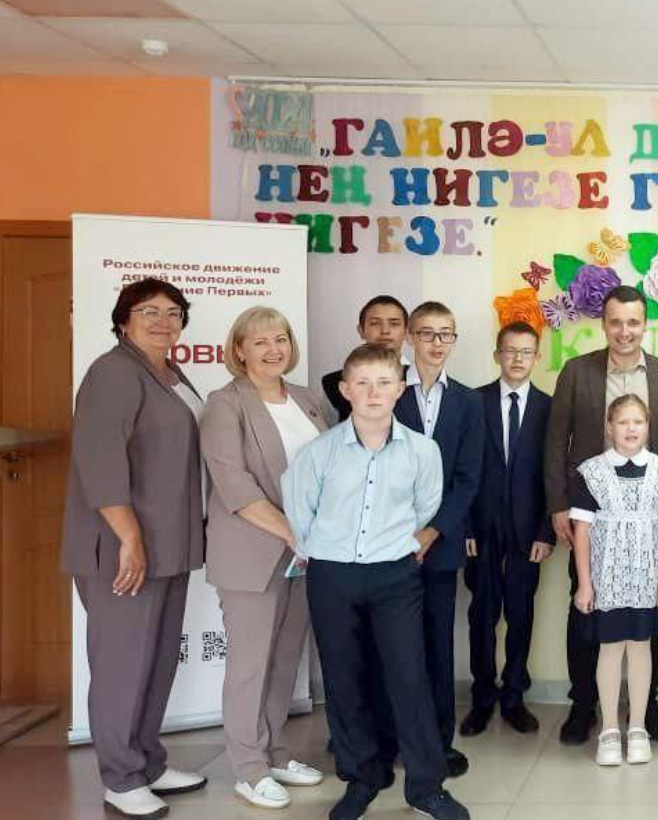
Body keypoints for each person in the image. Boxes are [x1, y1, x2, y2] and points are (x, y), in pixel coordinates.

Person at [283, 344, 467, 820]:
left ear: (400, 390)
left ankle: (426, 786)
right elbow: (300, 514)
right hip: (332, 575)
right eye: (362, 383)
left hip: (395, 575)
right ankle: (362, 778)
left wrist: (392, 545)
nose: (373, 393)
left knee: (409, 677)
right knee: (344, 680)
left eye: (384, 383)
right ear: (345, 390)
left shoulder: (422, 451)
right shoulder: (318, 453)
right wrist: (334, 549)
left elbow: (426, 507)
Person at [62, 278, 208, 820]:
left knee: (157, 660)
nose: (163, 321)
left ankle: (147, 762)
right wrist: (129, 537)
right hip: (123, 548)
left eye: (173, 312)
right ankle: (121, 778)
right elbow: (100, 460)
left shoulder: (169, 372)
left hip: (170, 544)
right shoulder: (113, 373)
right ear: (124, 320)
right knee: (123, 665)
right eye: (149, 311)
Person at [200, 306, 332, 810]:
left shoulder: (306, 399)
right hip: (252, 552)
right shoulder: (225, 404)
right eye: (260, 342)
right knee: (250, 664)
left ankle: (275, 751)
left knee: (284, 660)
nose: (273, 349)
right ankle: (248, 768)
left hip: (303, 554)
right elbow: (234, 484)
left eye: (280, 339)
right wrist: (294, 533)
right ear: (239, 350)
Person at [544, 285, 658, 745]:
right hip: (592, 514)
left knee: (650, 608)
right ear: (603, 324)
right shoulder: (578, 370)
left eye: (633, 322)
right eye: (616, 322)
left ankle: (649, 707)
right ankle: (583, 704)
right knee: (585, 604)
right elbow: (556, 441)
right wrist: (558, 505)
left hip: (646, 517)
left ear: (645, 325)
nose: (625, 331)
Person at [391, 302, 485, 778]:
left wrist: (432, 531)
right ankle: (395, 740)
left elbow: (468, 479)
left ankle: (438, 743)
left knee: (437, 644)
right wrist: (404, 529)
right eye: (426, 333)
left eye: (445, 334)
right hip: (389, 542)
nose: (436, 343)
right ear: (409, 337)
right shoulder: (387, 389)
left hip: (440, 543)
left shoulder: (468, 402)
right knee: (394, 646)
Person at [570, 394, 658, 767]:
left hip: (647, 577)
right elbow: (582, 532)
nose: (631, 429)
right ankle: (609, 730)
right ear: (609, 427)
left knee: (641, 648)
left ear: (648, 426)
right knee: (610, 648)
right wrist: (585, 584)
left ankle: (637, 728)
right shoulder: (591, 472)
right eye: (622, 422)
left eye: (638, 421)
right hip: (607, 578)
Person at [461, 321, 553, 737]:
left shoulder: (549, 408)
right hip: (480, 529)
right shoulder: (472, 402)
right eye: (510, 350)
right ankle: (482, 697)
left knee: (520, 612)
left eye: (526, 351)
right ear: (497, 355)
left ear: (537, 357)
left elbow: (552, 474)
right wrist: (464, 526)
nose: (517, 358)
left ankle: (514, 695)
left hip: (527, 530)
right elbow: (460, 469)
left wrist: (545, 532)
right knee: (482, 613)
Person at [320, 295, 409, 421]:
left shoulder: (421, 381)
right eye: (375, 323)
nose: (385, 330)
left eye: (394, 324)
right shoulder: (333, 384)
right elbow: (328, 430)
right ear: (361, 330)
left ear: (406, 332)